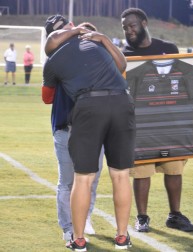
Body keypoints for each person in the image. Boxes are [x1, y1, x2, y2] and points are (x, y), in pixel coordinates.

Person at [43, 14, 136, 251]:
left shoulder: (52, 61)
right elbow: (122, 66)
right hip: (122, 102)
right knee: (121, 175)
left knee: (83, 178)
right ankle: (122, 237)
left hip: (88, 106)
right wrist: (102, 38)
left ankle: (78, 239)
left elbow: (48, 95)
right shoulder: (95, 43)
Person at [121, 7, 193, 233]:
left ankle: (175, 215)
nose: (129, 31)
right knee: (142, 173)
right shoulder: (125, 54)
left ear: (144, 23)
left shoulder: (168, 48)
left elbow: (184, 81)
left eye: (132, 25)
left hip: (170, 124)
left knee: (174, 169)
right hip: (140, 126)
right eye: (125, 27)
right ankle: (142, 217)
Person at [42, 16, 104, 244]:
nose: (70, 29)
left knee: (92, 178)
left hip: (93, 126)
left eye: (68, 25)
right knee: (68, 181)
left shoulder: (91, 49)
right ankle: (68, 228)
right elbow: (46, 97)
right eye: (62, 29)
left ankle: (85, 218)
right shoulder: (55, 57)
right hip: (66, 126)